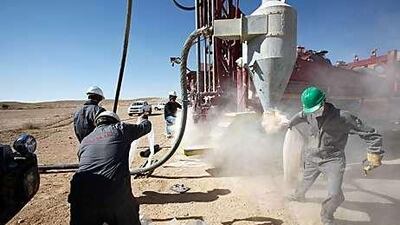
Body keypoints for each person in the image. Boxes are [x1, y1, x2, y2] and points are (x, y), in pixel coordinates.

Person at [287, 86, 383, 225]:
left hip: (333, 160)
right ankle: (298, 196)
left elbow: (372, 134)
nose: (313, 114)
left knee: (335, 195)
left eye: (315, 109)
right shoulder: (309, 112)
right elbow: (301, 115)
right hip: (312, 157)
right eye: (310, 111)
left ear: (323, 102)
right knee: (304, 182)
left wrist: (374, 154)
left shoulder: (343, 117)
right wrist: (290, 123)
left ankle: (327, 216)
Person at [68, 111, 151, 225]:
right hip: (114, 194)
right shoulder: (121, 129)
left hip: (80, 197)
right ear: (115, 121)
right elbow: (145, 127)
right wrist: (144, 118)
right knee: (129, 213)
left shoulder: (85, 140)